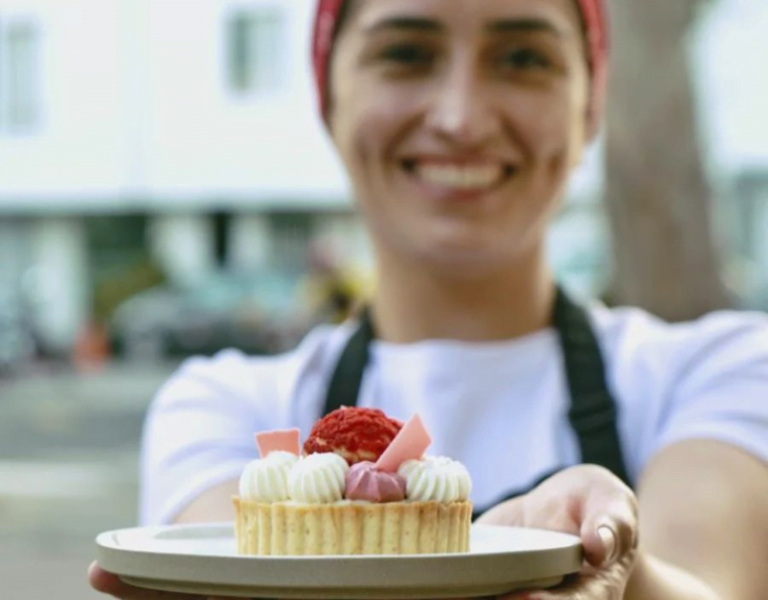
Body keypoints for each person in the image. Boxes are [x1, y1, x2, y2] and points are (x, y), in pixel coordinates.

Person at [89, 0, 768, 598]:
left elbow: (712, 586)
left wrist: (618, 570)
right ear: (328, 96)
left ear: (589, 104)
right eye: (406, 54)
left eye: (524, 57)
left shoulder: (717, 373)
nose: (461, 118)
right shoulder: (222, 408)